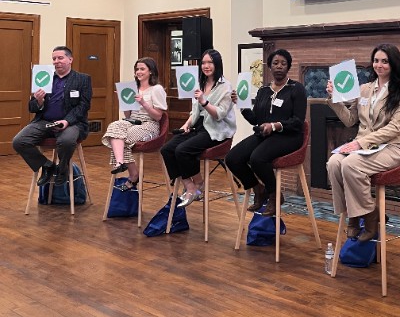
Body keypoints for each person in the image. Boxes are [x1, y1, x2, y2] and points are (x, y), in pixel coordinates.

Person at [326, 44, 400, 242]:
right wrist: (334, 99)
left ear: (393, 64)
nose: (379, 65)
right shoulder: (364, 89)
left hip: (392, 148)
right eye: (376, 60)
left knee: (350, 164)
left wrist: (360, 144)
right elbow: (350, 120)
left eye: (384, 61)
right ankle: (353, 216)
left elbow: (394, 129)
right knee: (333, 163)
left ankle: (369, 214)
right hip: (364, 147)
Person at [225, 48, 306, 217]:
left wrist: (275, 125)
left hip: (289, 136)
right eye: (275, 63)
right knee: (232, 158)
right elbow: (256, 120)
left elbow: (298, 122)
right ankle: (258, 189)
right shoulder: (263, 91)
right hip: (265, 135)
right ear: (269, 66)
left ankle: (274, 195)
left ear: (288, 67)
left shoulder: (296, 89)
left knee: (257, 158)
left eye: (283, 63)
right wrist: (241, 104)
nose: (279, 66)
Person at [161, 49, 236, 207]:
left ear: (217, 64)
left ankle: (198, 184)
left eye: (210, 62)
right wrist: (187, 123)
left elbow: (219, 115)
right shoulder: (200, 83)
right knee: (167, 149)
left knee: (182, 150)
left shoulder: (225, 86)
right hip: (198, 126)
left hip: (216, 129)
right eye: (203, 63)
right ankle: (191, 186)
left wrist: (204, 101)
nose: (206, 66)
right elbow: (195, 111)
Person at [12, 46, 92, 187]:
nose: (56, 61)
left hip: (72, 123)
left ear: (70, 59)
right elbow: (31, 107)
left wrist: (67, 121)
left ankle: (62, 169)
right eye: (54, 59)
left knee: (67, 141)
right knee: (19, 141)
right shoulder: (44, 76)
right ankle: (47, 166)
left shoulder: (82, 79)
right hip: (44, 121)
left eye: (60, 58)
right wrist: (38, 101)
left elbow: (83, 106)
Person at [102, 58, 167, 191]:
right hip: (132, 122)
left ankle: (133, 175)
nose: (138, 72)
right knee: (114, 127)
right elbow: (128, 116)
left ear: (151, 71)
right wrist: (123, 100)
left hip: (149, 125)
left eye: (142, 69)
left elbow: (158, 116)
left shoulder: (156, 89)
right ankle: (120, 162)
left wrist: (143, 103)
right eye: (137, 69)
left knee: (123, 138)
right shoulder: (132, 88)